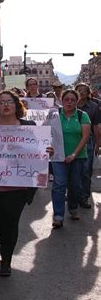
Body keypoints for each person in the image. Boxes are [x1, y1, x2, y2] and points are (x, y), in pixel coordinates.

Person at [0, 90, 53, 276]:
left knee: (11, 221)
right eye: (1, 102)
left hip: (18, 186)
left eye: (9, 101)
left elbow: (37, 151)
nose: (5, 105)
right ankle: (5, 241)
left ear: (16, 105)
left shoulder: (28, 126)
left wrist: (46, 151)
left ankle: (6, 261)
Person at [51, 90, 90, 228]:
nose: (69, 102)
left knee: (75, 186)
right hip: (58, 156)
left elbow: (85, 137)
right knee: (59, 184)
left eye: (72, 100)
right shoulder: (54, 115)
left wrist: (74, 154)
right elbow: (46, 133)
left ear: (77, 101)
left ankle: (73, 208)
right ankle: (58, 216)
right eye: (66, 99)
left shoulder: (82, 115)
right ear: (62, 100)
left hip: (77, 156)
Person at [74, 83, 99, 209]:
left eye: (84, 90)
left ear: (88, 92)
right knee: (73, 169)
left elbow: (96, 125)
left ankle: (84, 196)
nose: (82, 92)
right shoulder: (70, 104)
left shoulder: (94, 106)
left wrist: (98, 143)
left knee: (86, 170)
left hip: (88, 141)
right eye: (79, 90)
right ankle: (73, 194)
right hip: (71, 141)